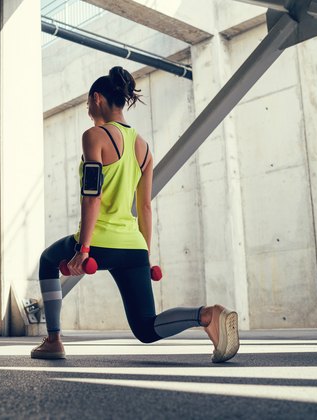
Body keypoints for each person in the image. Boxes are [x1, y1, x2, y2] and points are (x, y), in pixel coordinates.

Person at [31, 66, 239, 363]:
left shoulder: (94, 136)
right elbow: (145, 207)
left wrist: (83, 249)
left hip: (98, 241)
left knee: (47, 261)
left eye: (89, 103)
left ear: (97, 98)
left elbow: (92, 197)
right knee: (146, 328)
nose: (88, 109)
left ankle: (53, 340)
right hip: (133, 245)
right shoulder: (143, 147)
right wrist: (145, 253)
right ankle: (207, 315)